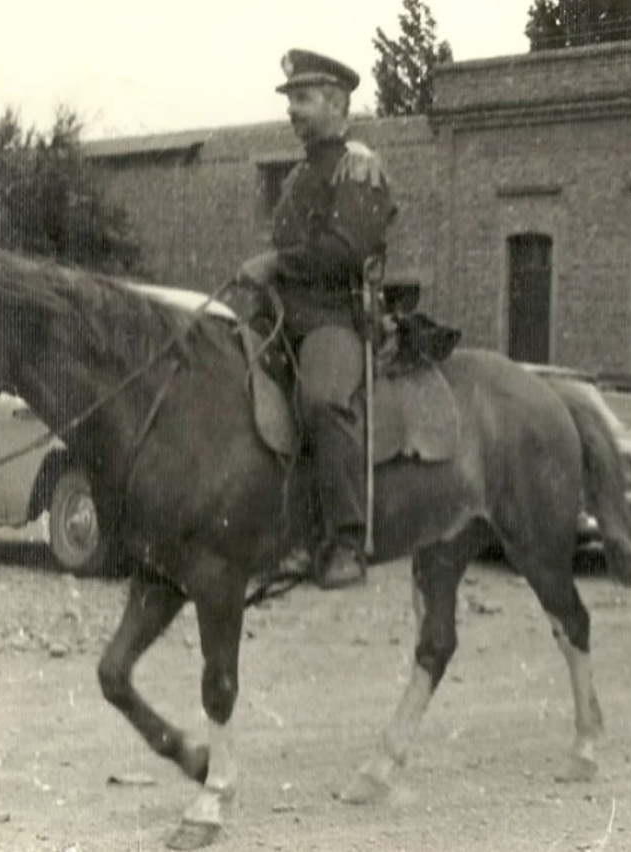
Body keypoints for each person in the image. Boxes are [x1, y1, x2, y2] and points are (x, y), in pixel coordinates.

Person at [232, 49, 398, 589]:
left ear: (336, 102)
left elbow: (345, 252)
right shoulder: (303, 172)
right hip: (281, 317)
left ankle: (346, 539)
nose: (292, 111)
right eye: (290, 101)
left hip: (332, 319)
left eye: (302, 99)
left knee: (322, 402)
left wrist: (275, 262)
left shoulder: (359, 168)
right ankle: (283, 536)